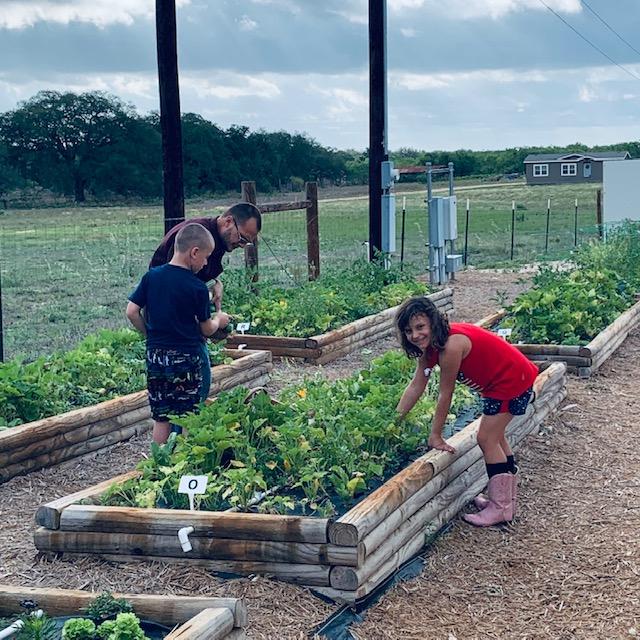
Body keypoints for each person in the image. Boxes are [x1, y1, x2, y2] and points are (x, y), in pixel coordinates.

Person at [395, 297, 538, 527]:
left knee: (486, 438)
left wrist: (436, 436)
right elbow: (417, 385)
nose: (415, 335)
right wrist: (395, 420)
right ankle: (504, 501)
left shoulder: (451, 346)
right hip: (501, 383)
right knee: (496, 436)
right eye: (409, 331)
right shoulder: (429, 349)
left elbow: (445, 394)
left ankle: (501, 508)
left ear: (433, 322)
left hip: (511, 381)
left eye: (420, 327)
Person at [126, 223, 230, 444]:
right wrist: (219, 319)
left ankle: (159, 466)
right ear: (194, 252)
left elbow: (132, 311)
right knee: (185, 417)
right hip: (186, 359)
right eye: (206, 257)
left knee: (161, 417)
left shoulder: (152, 277)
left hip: (156, 356)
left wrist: (149, 334)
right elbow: (206, 329)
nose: (205, 264)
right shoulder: (197, 288)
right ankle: (181, 465)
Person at [150, 203, 261, 401]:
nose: (241, 245)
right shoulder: (196, 235)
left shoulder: (217, 239)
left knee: (168, 402)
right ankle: (185, 429)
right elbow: (176, 285)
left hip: (168, 331)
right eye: (242, 238)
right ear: (228, 221)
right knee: (192, 389)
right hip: (177, 328)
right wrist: (212, 324)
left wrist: (216, 282)